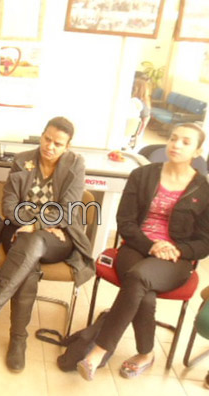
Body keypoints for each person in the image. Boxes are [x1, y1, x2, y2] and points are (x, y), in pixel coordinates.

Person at [77, 123, 209, 381]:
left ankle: (98, 351)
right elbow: (125, 222)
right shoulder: (142, 175)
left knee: (138, 279)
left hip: (177, 258)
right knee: (144, 295)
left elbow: (204, 242)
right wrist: (151, 245)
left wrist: (176, 248)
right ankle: (146, 354)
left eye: (185, 142)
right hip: (137, 246)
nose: (176, 145)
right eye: (173, 138)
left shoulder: (204, 190)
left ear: (197, 151)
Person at [0, 116, 94, 372]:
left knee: (33, 240)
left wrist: (36, 225)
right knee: (28, 262)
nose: (50, 146)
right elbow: (9, 205)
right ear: (42, 135)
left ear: (68, 146)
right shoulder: (22, 160)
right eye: (47, 139)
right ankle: (18, 340)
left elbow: (68, 211)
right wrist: (35, 223)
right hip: (18, 229)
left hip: (59, 237)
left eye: (58, 143)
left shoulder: (75, 165)